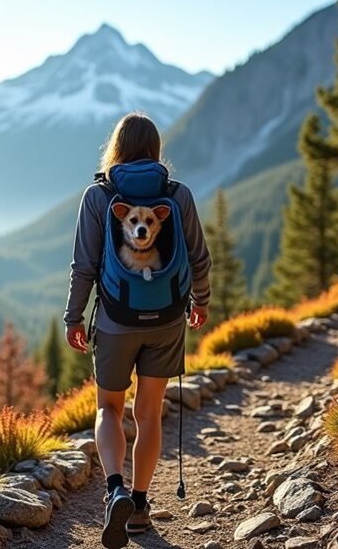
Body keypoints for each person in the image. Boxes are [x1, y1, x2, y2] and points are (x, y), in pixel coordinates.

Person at [63, 112, 211, 548]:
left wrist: (74, 317)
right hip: (166, 318)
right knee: (149, 413)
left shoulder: (99, 196)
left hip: (114, 319)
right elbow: (199, 258)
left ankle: (115, 490)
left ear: (117, 148)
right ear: (156, 150)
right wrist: (200, 301)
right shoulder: (176, 195)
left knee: (109, 408)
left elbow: (84, 266)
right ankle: (141, 506)